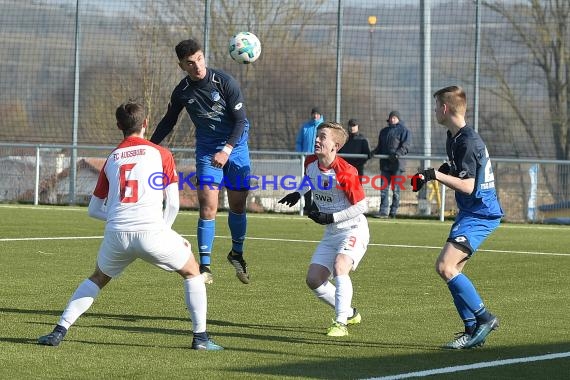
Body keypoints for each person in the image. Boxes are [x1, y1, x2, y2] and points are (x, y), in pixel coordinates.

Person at [37, 99, 222, 350]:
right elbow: (174, 205)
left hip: (117, 235)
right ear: (146, 124)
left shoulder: (112, 158)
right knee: (193, 272)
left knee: (97, 278)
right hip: (151, 232)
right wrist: (167, 233)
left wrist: (118, 217)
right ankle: (200, 339)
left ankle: (59, 330)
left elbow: (93, 210)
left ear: (118, 126)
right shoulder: (161, 154)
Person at [150, 38, 250, 285]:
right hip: (207, 151)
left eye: (199, 59)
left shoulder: (225, 82)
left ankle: (236, 252)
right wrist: (149, 147)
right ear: (181, 65)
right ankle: (205, 266)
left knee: (238, 205)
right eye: (190, 63)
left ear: (204, 56)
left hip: (236, 148)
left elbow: (240, 121)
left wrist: (226, 150)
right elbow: (168, 121)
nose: (197, 66)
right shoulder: (182, 91)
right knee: (208, 205)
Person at [410, 85, 503, 349]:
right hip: (472, 212)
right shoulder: (455, 137)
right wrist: (442, 170)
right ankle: (472, 329)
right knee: (453, 271)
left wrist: (435, 175)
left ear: (444, 108)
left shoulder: (467, 141)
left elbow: (469, 185)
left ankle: (484, 318)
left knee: (445, 267)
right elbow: (460, 171)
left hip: (480, 213)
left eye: (435, 106)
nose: (434, 111)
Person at [279, 121, 369, 337]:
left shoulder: (346, 171)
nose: (317, 140)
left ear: (335, 146)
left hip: (353, 229)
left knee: (340, 266)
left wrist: (330, 216)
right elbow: (310, 179)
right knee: (314, 280)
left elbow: (362, 206)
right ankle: (349, 312)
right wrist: (298, 193)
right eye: (317, 136)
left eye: (323, 137)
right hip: (332, 233)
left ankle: (340, 323)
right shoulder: (310, 161)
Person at [371, 110, 411, 218]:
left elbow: (406, 146)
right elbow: (380, 146)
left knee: (396, 190)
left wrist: (397, 154)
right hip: (385, 164)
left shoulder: (404, 130)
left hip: (397, 165)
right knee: (383, 189)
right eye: (391, 117)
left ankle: (393, 212)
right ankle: (383, 212)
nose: (392, 119)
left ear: (398, 119)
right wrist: (374, 152)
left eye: (394, 117)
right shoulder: (384, 131)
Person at [295, 107, 324, 212]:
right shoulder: (306, 127)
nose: (315, 116)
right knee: (307, 183)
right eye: (314, 114)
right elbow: (299, 142)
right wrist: (300, 154)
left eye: (317, 114)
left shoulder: (324, 127)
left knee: (319, 184)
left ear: (320, 115)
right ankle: (307, 206)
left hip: (321, 160)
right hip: (307, 160)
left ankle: (317, 206)